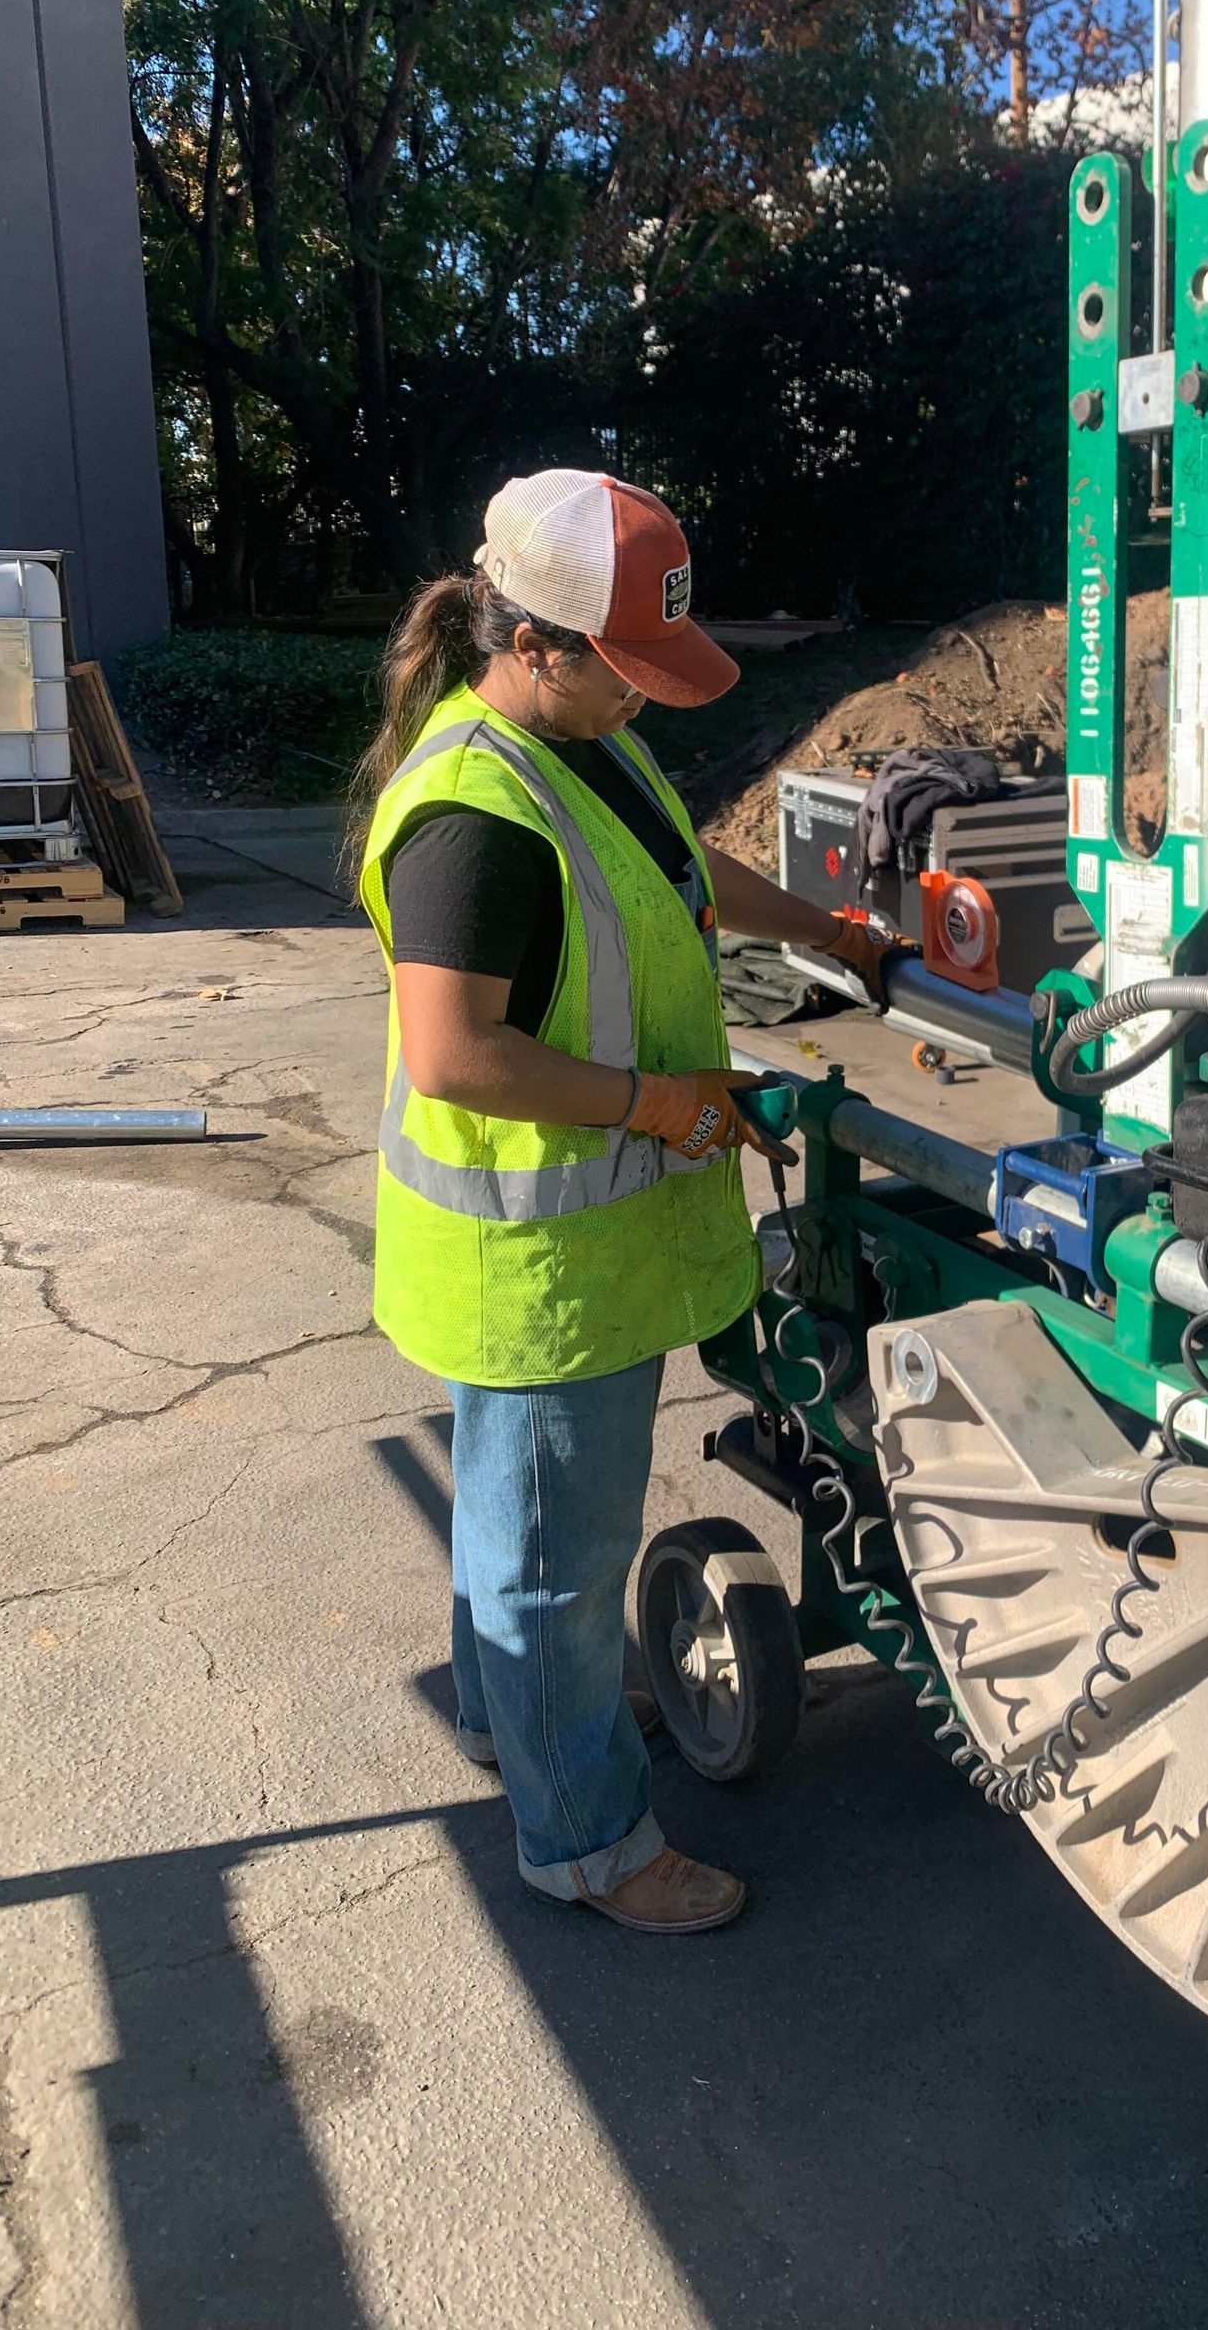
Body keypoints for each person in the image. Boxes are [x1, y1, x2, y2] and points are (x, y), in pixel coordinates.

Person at [354, 469, 890, 1935]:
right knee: (552, 1563)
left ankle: (509, 1723)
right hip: (539, 1260)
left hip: (584, 1240)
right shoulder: (471, 814)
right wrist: (658, 1103)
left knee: (516, 1536)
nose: (644, 702)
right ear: (529, 641)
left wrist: (828, 927)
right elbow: (455, 1053)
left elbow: (682, 871)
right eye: (623, 670)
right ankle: (586, 1841)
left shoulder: (583, 745)